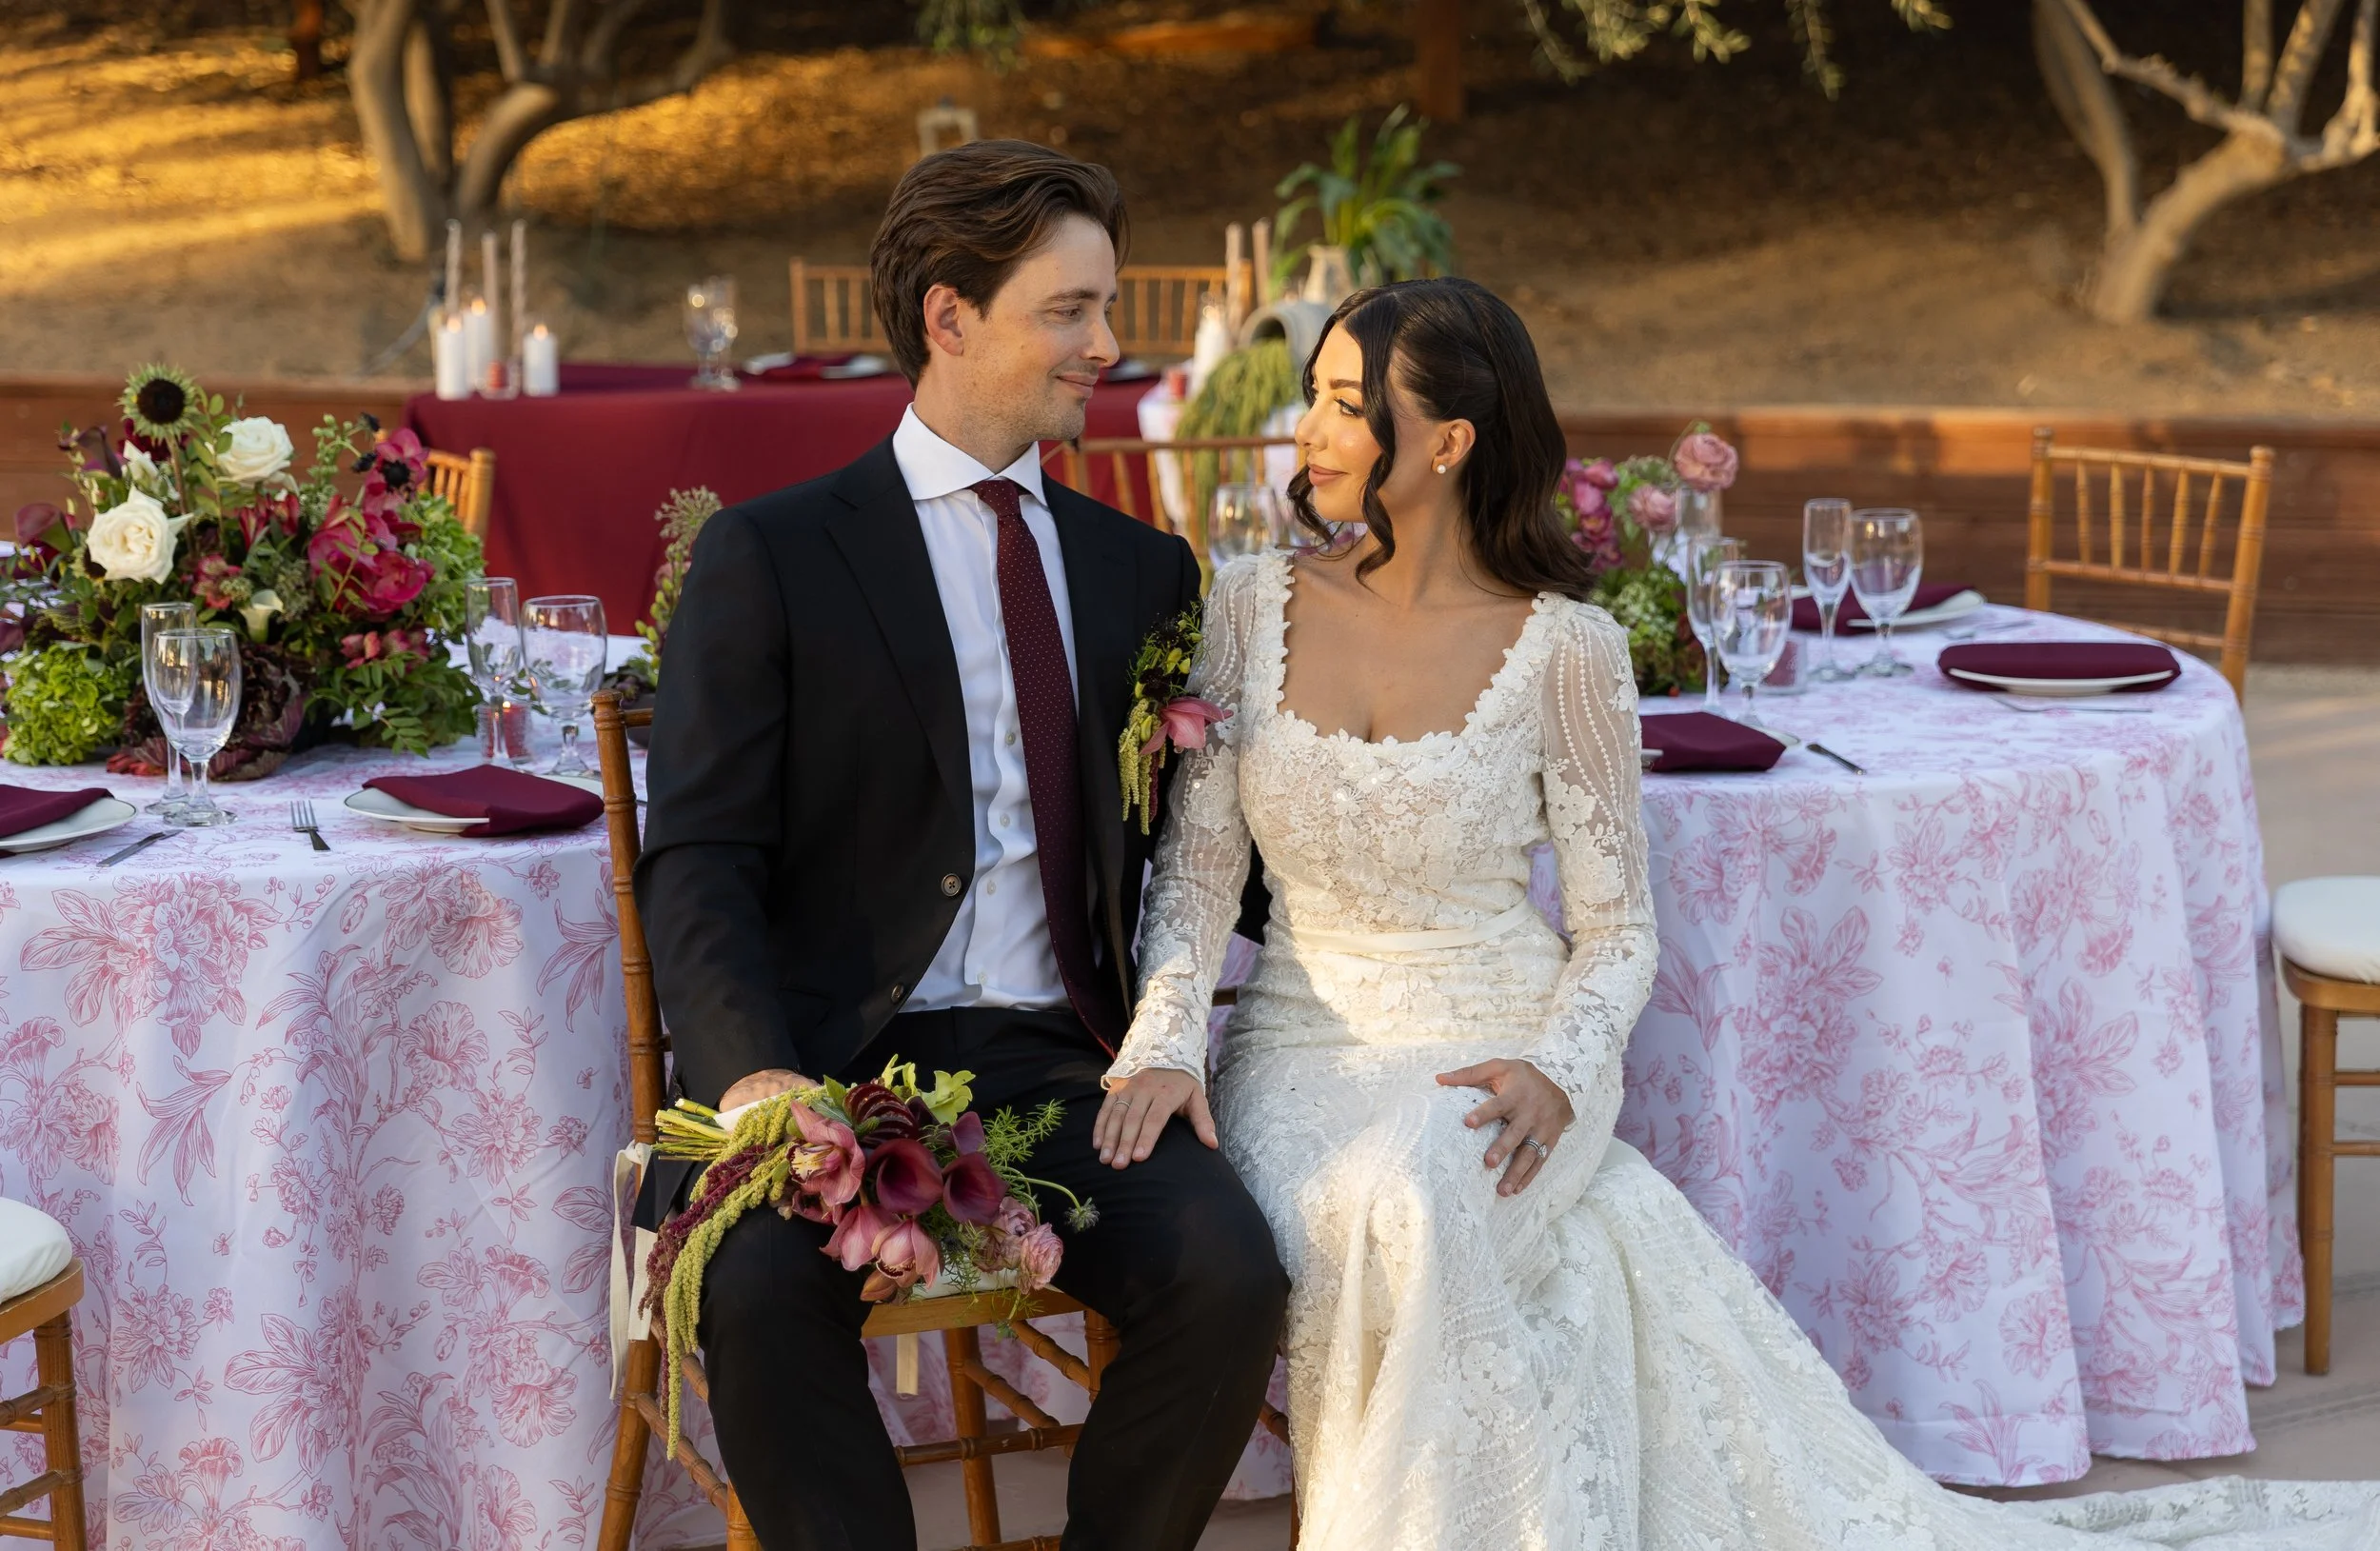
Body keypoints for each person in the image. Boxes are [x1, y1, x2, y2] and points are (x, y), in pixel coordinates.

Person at [1098, 275, 2380, 1550]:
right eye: (1310, 402)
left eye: (1338, 404)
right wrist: (1162, 1036)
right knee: (1451, 1214)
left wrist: (1559, 1064)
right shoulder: (1245, 608)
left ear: (1446, 441)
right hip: (1303, 1045)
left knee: (1436, 1186)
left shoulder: (1569, 651)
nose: (1305, 433)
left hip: (1503, 1037)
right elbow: (1200, 874)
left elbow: (1612, 933)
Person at [636, 140, 1288, 1551]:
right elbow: (698, 856)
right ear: (949, 316)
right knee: (752, 1296)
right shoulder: (777, 556)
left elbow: (1208, 852)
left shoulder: (1142, 572)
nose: (1107, 348)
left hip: (1062, 1064)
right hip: (827, 1065)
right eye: (1070, 310)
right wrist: (756, 1078)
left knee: (1231, 1277)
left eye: (1104, 311)